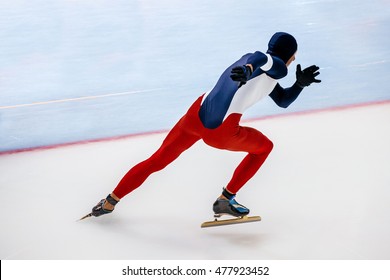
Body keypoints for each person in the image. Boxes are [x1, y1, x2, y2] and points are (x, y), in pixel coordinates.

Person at [90, 32, 321, 218]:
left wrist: (299, 84)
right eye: (294, 57)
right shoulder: (277, 67)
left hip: (195, 115)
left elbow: (282, 101)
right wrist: (250, 69)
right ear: (289, 55)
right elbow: (261, 58)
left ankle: (110, 201)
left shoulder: (264, 74)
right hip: (221, 130)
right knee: (264, 147)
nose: (293, 61)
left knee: (158, 159)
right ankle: (226, 198)